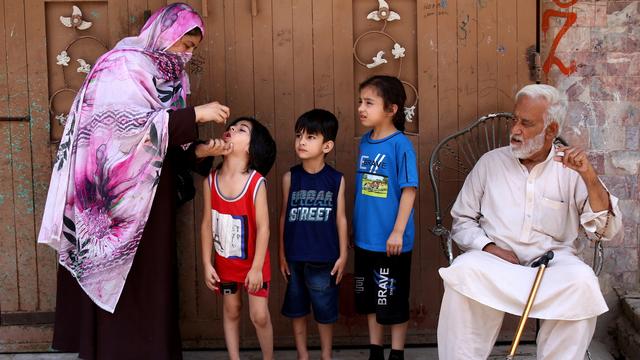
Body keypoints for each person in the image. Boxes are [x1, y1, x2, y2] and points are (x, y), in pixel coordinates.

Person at [37, 4, 230, 359]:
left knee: (150, 279)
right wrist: (195, 115)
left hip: (153, 200)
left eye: (193, 49)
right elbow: (118, 133)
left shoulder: (173, 78)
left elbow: (161, 140)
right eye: (184, 45)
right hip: (108, 203)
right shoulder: (123, 65)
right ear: (164, 34)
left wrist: (199, 151)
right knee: (115, 274)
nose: (187, 55)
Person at [437, 84, 623, 360]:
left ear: (550, 130)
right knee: (464, 270)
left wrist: (589, 177)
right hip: (497, 263)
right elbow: (462, 221)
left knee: (582, 281)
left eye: (526, 123)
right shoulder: (490, 163)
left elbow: (604, 229)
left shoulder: (571, 170)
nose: (515, 130)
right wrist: (489, 248)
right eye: (515, 120)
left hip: (552, 266)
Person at [200, 117, 277, 360]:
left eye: (241, 129)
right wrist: (206, 263)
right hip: (226, 265)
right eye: (231, 127)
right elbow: (206, 224)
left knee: (259, 316)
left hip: (254, 266)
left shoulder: (255, 183)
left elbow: (264, 228)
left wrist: (256, 269)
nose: (231, 129)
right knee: (231, 310)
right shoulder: (210, 181)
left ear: (252, 148)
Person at [353, 76, 418, 360]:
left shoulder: (400, 145)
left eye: (369, 103)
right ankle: (375, 351)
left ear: (391, 109)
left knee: (392, 299)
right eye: (360, 102)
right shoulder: (365, 142)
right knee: (369, 299)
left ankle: (397, 353)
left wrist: (397, 232)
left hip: (391, 242)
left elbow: (409, 190)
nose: (361, 108)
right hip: (365, 239)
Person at [278, 109, 348, 360]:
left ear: (327, 145)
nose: (302, 142)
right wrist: (281, 254)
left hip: (325, 257)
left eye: (310, 137)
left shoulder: (336, 179)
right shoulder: (290, 177)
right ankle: (303, 354)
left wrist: (342, 255)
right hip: (295, 257)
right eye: (299, 136)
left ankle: (326, 355)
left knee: (324, 310)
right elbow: (284, 216)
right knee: (297, 309)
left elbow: (340, 218)